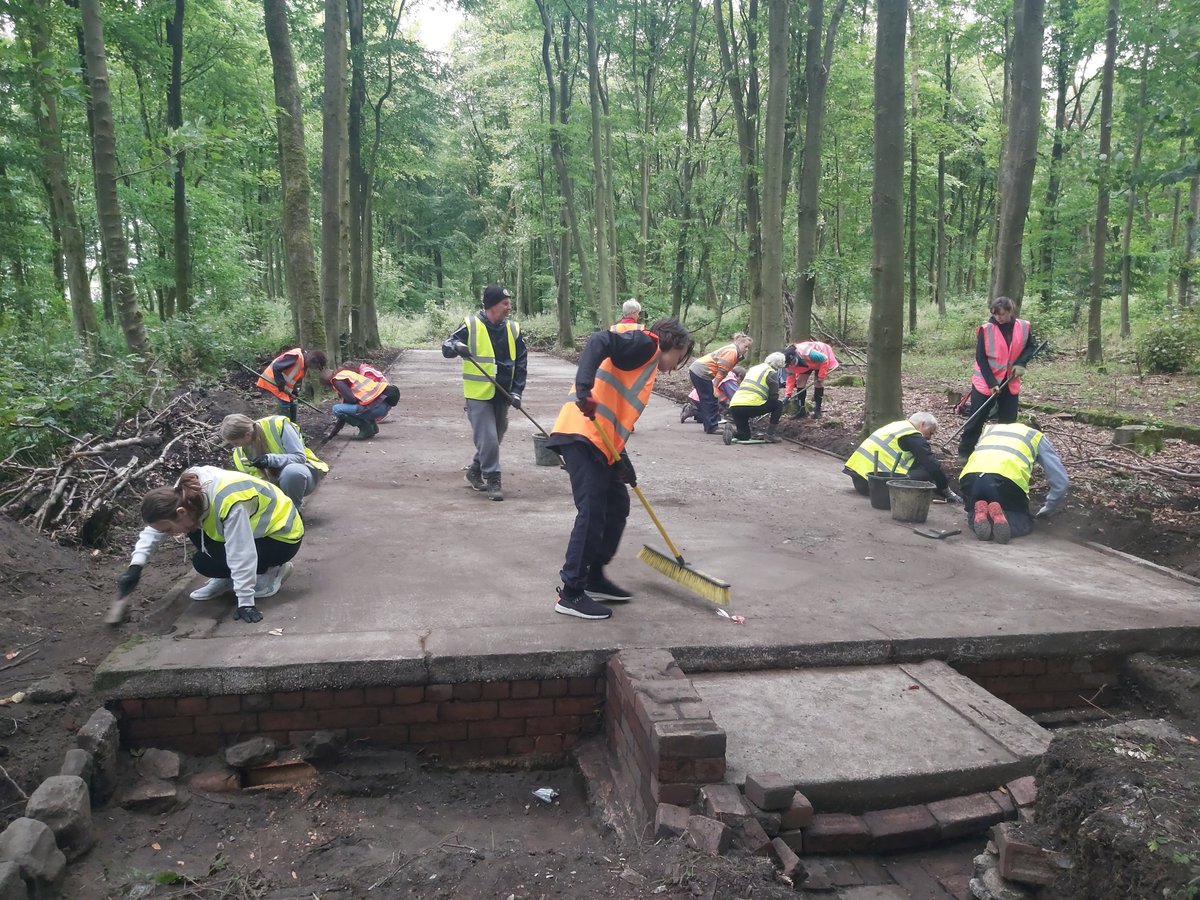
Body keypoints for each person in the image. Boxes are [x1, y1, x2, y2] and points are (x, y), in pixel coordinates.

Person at [547, 317, 694, 620]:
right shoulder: (646, 345)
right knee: (593, 510)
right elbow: (599, 340)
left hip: (600, 440)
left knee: (616, 504)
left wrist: (623, 463)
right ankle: (571, 592)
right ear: (674, 345)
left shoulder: (645, 358)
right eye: (680, 357)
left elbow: (615, 412)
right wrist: (584, 389)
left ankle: (593, 577)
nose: (676, 365)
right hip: (582, 432)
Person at [115, 466, 304, 624]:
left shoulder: (230, 502)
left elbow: (241, 552)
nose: (167, 534)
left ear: (180, 512)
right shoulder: (181, 493)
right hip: (256, 531)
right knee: (203, 561)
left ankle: (273, 571)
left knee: (205, 549)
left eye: (167, 529)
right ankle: (228, 577)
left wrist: (245, 600)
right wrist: (136, 566)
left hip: (282, 535)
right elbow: (155, 528)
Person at [442, 284, 528, 502]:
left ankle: (475, 470)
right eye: (505, 303)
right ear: (492, 305)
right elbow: (447, 345)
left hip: (503, 393)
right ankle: (493, 478)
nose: (509, 307)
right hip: (478, 394)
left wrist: (517, 391)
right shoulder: (471, 325)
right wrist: (457, 347)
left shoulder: (513, 329)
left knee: (497, 435)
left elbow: (521, 363)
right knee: (488, 439)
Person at [958, 296, 1039, 459]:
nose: (998, 318)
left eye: (1001, 314)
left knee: (1008, 420)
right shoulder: (986, 329)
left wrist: (1021, 363)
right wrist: (992, 383)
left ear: (1010, 311)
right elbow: (981, 358)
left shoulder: (1023, 327)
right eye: (995, 314)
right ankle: (965, 452)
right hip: (986, 381)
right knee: (977, 417)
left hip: (1010, 381)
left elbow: (1031, 347)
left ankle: (1002, 452)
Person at [960, 422, 1068, 543]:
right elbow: (1061, 481)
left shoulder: (991, 429)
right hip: (1003, 482)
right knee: (1023, 521)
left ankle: (977, 515)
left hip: (970, 479)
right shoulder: (1036, 436)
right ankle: (1005, 518)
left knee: (973, 510)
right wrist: (1048, 508)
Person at [842, 412, 962, 502]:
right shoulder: (912, 435)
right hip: (877, 488)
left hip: (860, 480)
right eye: (930, 432)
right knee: (927, 472)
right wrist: (946, 490)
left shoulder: (897, 426)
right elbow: (932, 466)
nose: (929, 438)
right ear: (922, 424)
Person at [220, 413, 328, 510]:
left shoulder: (277, 425)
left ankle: (294, 511)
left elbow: (299, 457)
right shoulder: (239, 454)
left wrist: (269, 459)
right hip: (272, 487)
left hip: (302, 477)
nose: (235, 447)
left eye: (236, 443)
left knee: (292, 472)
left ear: (247, 434)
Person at [688, 333, 753, 434]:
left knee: (708, 399)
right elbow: (723, 369)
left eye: (748, 348)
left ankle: (709, 424)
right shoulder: (732, 352)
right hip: (702, 372)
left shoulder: (732, 350)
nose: (747, 349)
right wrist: (715, 385)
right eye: (746, 346)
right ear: (739, 343)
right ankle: (712, 427)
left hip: (699, 370)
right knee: (711, 399)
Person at [322, 368, 399, 440]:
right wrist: (334, 432)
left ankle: (365, 428)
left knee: (336, 409)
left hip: (376, 408)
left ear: (328, 384)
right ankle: (373, 427)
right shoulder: (346, 374)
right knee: (357, 405)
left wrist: (333, 433)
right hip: (384, 404)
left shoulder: (337, 381)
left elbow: (351, 401)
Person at [727, 352, 787, 444]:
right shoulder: (771, 373)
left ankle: (732, 432)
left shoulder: (753, 369)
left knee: (744, 436)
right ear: (780, 364)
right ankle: (770, 435)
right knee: (778, 404)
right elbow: (773, 396)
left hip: (735, 405)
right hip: (752, 405)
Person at [256, 347, 327, 422]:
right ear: (313, 361)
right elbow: (276, 367)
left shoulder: (303, 363)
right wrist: (282, 386)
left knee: (293, 404)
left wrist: (294, 392)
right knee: (285, 404)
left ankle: (293, 427)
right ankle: (283, 427)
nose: (314, 368)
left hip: (282, 384)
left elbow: (294, 379)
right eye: (315, 367)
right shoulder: (296, 357)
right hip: (273, 380)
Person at [783, 340, 839, 419]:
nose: (791, 365)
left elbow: (824, 359)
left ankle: (817, 410)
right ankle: (801, 409)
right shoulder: (788, 365)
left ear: (794, 357)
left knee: (818, 383)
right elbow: (790, 379)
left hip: (821, 359)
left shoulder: (807, 353)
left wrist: (821, 376)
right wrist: (787, 395)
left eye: (792, 363)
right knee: (800, 381)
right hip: (807, 364)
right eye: (789, 364)